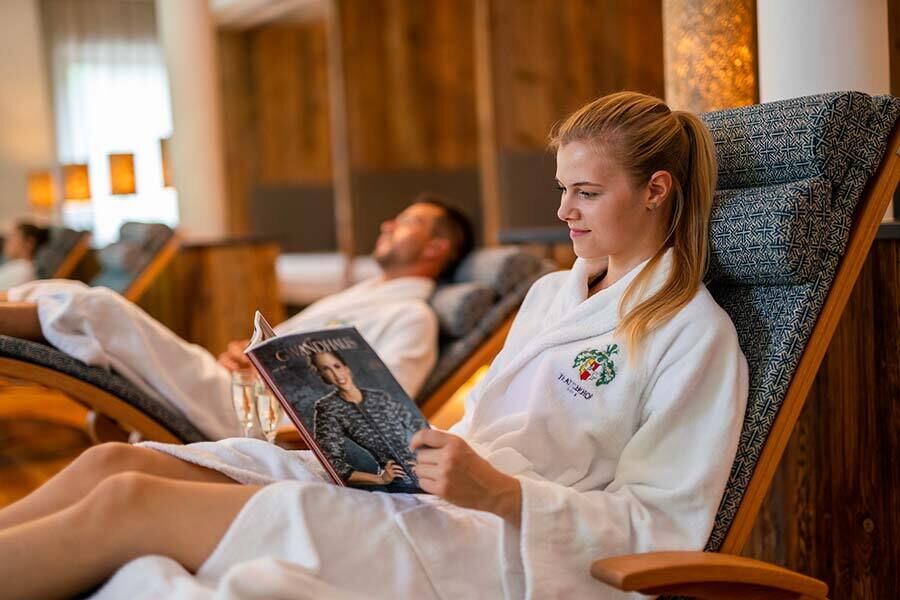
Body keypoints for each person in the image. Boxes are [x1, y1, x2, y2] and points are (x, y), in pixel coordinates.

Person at [0, 92, 748, 599]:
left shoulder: (694, 335)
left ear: (655, 190)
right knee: (115, 461)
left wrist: (501, 494)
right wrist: (383, 446)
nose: (562, 210)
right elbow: (485, 417)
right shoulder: (556, 292)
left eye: (586, 192)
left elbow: (668, 527)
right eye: (562, 188)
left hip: (501, 544)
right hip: (429, 496)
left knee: (131, 505)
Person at [0, 198, 474, 439]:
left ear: (437, 248)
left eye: (408, 222)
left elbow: (378, 416)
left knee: (97, 308)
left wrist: (275, 379)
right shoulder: (368, 293)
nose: (388, 224)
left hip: (256, 418)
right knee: (83, 298)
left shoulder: (412, 317)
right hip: (233, 387)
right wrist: (251, 355)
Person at [310, 349, 427, 488]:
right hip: (400, 482)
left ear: (346, 368)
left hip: (429, 469)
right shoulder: (328, 409)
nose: (336, 374)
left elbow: (419, 426)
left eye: (337, 366)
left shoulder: (380, 397)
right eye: (326, 369)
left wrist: (425, 459)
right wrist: (381, 479)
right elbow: (330, 460)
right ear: (322, 375)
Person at [0, 220, 49, 289]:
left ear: (29, 243)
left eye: (14, 236)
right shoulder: (15, 265)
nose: (7, 241)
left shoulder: (24, 271)